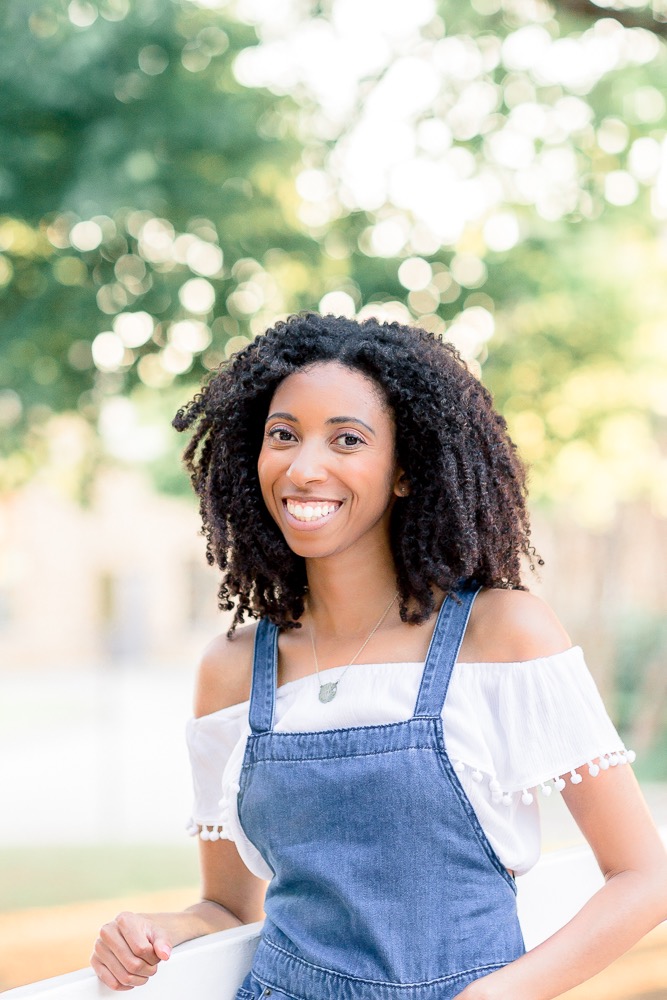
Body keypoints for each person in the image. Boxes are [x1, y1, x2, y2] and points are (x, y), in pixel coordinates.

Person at [91, 312, 667, 999]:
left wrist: (493, 994)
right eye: (283, 435)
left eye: (346, 439)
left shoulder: (503, 635)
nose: (304, 467)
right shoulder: (232, 670)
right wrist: (158, 930)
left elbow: (643, 877)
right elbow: (228, 906)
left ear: (403, 471)